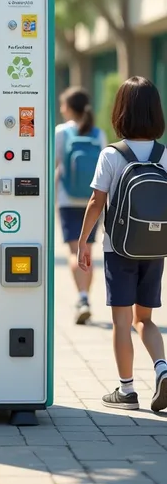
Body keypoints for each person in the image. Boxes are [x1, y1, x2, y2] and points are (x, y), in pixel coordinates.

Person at [78, 76, 167, 411]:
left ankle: (127, 390)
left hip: (119, 249)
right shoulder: (164, 154)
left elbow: (96, 202)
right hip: (155, 249)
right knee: (146, 318)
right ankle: (162, 370)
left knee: (122, 320)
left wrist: (83, 241)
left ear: (120, 112)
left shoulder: (112, 155)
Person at [56, 87, 106, 324]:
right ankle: (86, 297)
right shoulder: (99, 134)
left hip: (67, 199)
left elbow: (54, 163)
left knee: (74, 251)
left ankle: (82, 297)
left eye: (62, 105)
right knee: (88, 251)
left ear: (69, 107)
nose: (60, 108)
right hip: (92, 201)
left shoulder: (61, 132)